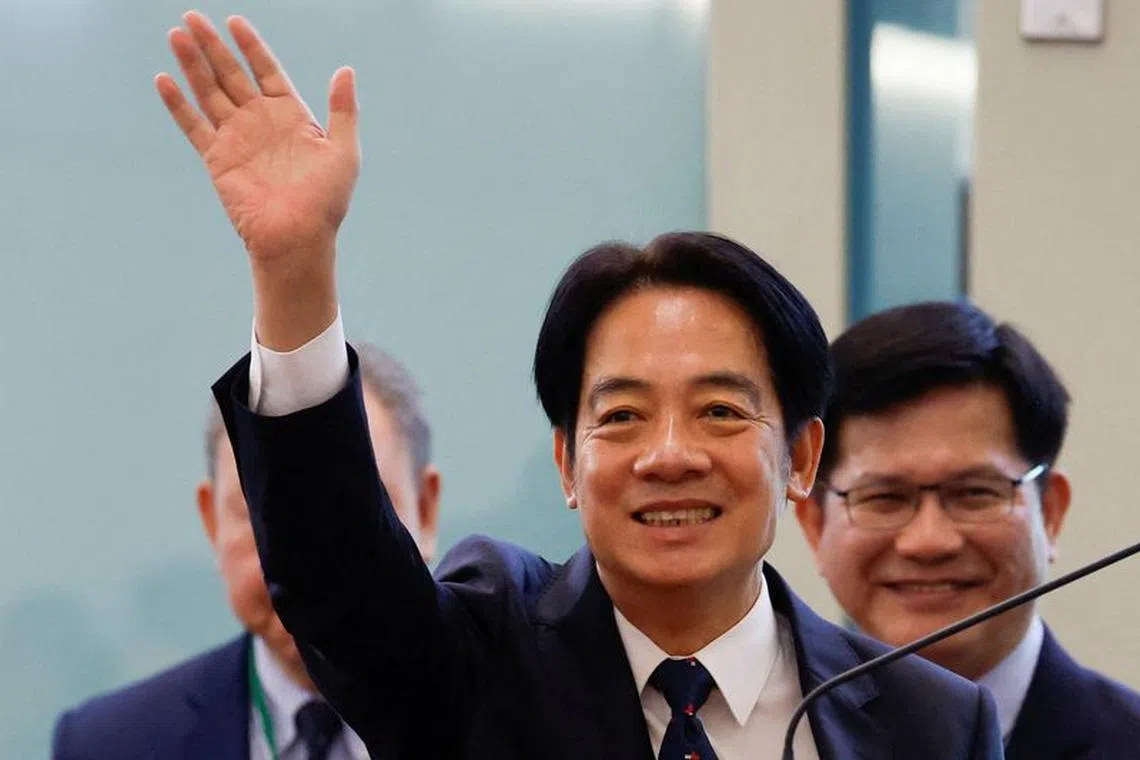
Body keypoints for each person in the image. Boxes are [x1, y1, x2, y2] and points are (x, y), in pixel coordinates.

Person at [157, 11, 1003, 758]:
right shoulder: (482, 659)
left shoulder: (931, 723)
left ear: (803, 456)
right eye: (623, 416)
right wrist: (295, 272)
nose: (669, 455)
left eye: (718, 410)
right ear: (567, 463)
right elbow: (341, 582)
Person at [51, 344, 441, 760]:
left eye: (353, 514)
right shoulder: (112, 744)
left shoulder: (490, 719)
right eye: (268, 515)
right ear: (212, 520)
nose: (310, 562)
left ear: (425, 510)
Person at [795, 300, 1140, 758]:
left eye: (974, 493)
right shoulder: (764, 738)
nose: (929, 542)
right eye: (885, 497)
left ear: (1051, 512)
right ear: (815, 524)